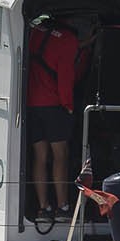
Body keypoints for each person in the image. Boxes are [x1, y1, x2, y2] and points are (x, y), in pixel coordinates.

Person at [27, 16, 81, 217]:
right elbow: (65, 76)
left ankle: (43, 206)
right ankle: (63, 205)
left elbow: (47, 54)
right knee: (61, 155)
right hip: (54, 106)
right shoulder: (68, 39)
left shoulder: (37, 31)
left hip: (32, 104)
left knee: (39, 156)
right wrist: (68, 105)